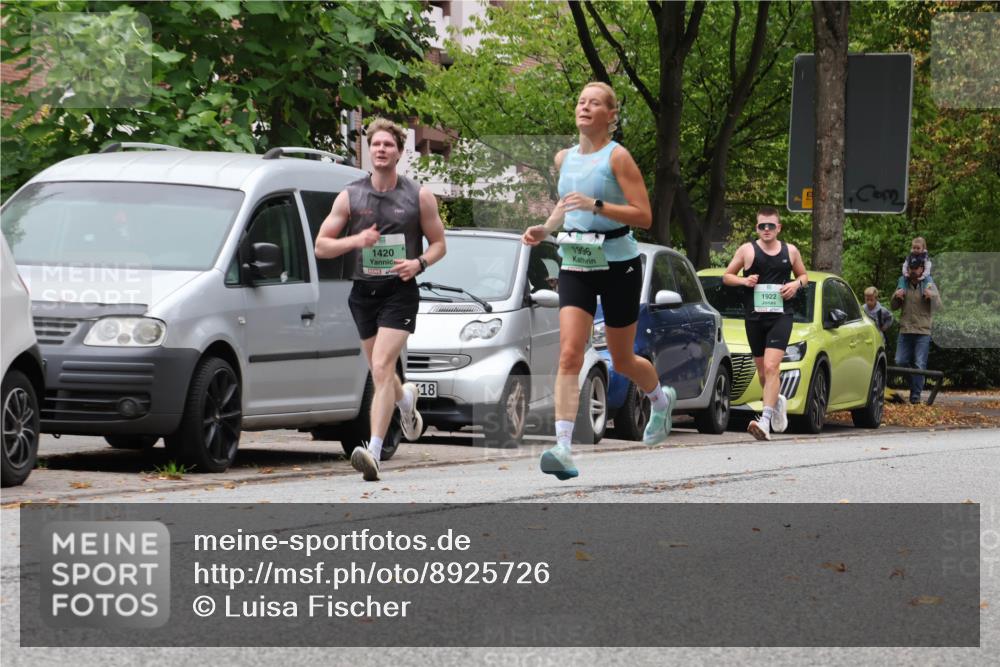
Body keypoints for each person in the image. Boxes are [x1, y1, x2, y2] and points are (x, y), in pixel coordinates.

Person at [522, 82, 674, 481]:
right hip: (576, 261)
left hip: (619, 264)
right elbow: (566, 203)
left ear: (611, 116)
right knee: (570, 353)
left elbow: (644, 215)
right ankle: (563, 447)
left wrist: (598, 206)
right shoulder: (564, 158)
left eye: (594, 103)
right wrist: (546, 228)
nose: (584, 107)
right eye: (580, 102)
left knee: (622, 360)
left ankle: (660, 401)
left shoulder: (617, 157)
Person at [315, 118, 446, 481]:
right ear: (368, 151)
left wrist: (418, 263)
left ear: (399, 152)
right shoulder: (350, 195)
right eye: (376, 144)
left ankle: (373, 451)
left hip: (399, 292)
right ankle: (405, 400)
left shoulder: (418, 196)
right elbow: (321, 246)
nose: (381, 150)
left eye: (388, 144)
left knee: (383, 366)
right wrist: (356, 241)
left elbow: (439, 244)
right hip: (363, 293)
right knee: (380, 370)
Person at [722, 207, 808, 441]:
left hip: (781, 316)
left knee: (771, 367)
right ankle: (776, 400)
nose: (767, 229)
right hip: (754, 318)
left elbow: (804, 276)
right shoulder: (747, 250)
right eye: (762, 226)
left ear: (779, 228)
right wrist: (743, 281)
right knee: (762, 373)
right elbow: (727, 276)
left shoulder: (790, 251)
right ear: (757, 228)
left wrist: (795, 285)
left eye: (771, 225)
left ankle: (765, 421)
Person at [891, 255, 941, 404]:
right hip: (905, 329)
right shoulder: (903, 283)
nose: (913, 271)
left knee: (919, 364)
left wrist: (932, 296)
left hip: (922, 330)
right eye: (911, 268)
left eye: (916, 268)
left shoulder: (928, 283)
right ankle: (915, 386)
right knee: (900, 361)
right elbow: (893, 306)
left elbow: (939, 306)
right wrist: (896, 296)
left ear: (922, 269)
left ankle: (915, 397)